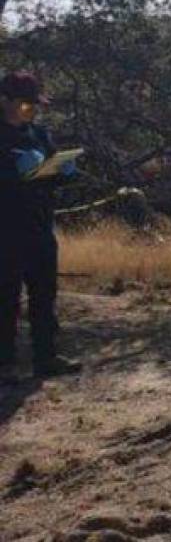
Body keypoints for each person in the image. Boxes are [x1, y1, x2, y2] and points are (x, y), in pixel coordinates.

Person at [1, 71, 82, 378]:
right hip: (5, 231)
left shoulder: (39, 134)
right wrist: (13, 173)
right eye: (25, 105)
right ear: (5, 101)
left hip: (40, 228)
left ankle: (46, 358)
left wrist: (65, 171)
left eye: (35, 105)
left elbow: (53, 172)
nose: (31, 110)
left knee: (44, 295)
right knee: (5, 298)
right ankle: (4, 364)